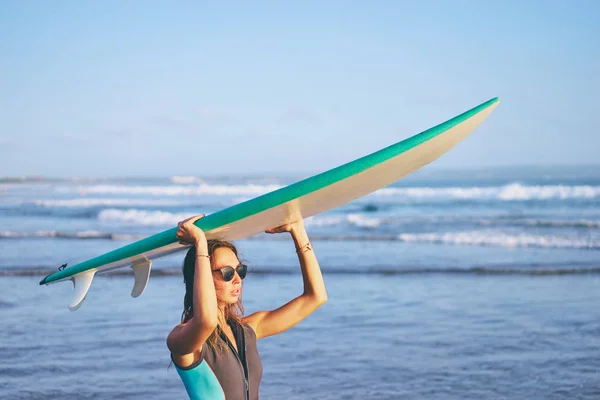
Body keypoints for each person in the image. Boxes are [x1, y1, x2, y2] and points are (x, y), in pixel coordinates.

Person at [167, 214, 328, 400]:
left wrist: (298, 230)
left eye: (239, 270)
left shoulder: (248, 330)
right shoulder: (181, 340)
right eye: (227, 273)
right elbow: (206, 321)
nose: (237, 280)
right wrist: (200, 244)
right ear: (200, 276)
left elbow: (316, 297)